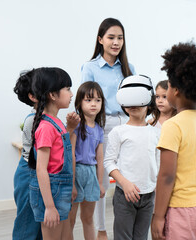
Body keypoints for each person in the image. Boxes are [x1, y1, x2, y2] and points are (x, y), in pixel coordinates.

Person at [151, 42, 196, 240]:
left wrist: (158, 217)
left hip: (183, 210)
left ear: (176, 91)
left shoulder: (173, 126)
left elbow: (166, 176)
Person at [81, 17, 136, 240]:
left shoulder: (129, 68)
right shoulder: (90, 67)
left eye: (120, 38)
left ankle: (128, 227)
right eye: (111, 37)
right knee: (102, 183)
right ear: (100, 39)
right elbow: (85, 100)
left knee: (131, 176)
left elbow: (133, 99)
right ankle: (101, 229)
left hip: (127, 123)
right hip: (102, 126)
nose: (116, 42)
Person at [104, 75, 160, 240]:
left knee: (141, 237)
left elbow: (159, 163)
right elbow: (109, 162)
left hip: (149, 196)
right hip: (124, 196)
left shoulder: (157, 132)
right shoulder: (119, 132)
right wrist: (125, 183)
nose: (134, 105)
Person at [27, 67, 78, 240]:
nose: (71, 94)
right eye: (68, 89)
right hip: (51, 193)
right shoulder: (46, 127)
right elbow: (42, 169)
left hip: (61, 189)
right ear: (52, 95)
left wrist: (70, 186)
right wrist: (49, 206)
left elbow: (62, 155)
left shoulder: (57, 122)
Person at [67, 81, 106, 240]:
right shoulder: (76, 125)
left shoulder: (99, 129)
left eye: (97, 100)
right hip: (76, 172)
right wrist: (72, 183)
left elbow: (100, 158)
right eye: (88, 100)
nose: (93, 104)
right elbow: (71, 154)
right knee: (70, 219)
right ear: (79, 103)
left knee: (88, 218)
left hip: (91, 175)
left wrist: (100, 183)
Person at [12, 70, 42, 240]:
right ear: (33, 96)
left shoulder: (45, 118)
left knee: (38, 227)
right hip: (30, 174)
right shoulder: (34, 120)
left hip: (35, 173)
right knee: (27, 227)